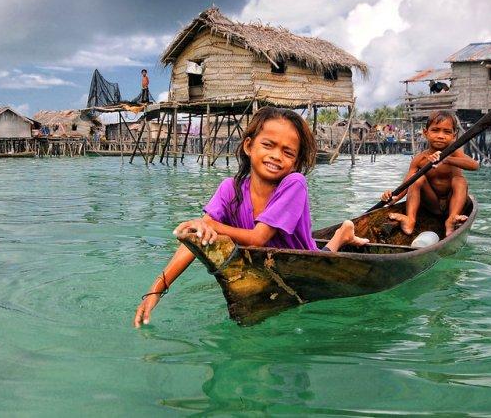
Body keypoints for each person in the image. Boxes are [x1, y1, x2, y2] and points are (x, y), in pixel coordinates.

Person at [134, 107, 369, 327]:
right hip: (271, 268)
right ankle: (343, 232)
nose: (276, 155)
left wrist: (211, 224)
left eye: (288, 152)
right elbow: (197, 241)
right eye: (268, 145)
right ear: (249, 146)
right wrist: (156, 289)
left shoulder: (295, 183)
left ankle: (342, 234)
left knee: (324, 254)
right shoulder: (230, 189)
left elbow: (258, 238)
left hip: (309, 263)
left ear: (295, 161)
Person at [380, 110, 478, 237]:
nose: (441, 135)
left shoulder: (454, 153)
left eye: (447, 132)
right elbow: (408, 183)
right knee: (417, 179)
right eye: (435, 130)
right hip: (432, 205)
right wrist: (394, 197)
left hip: (453, 203)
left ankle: (451, 219)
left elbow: (475, 165)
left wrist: (446, 159)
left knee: (459, 180)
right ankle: (410, 220)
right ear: (426, 133)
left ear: (454, 135)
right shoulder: (420, 159)